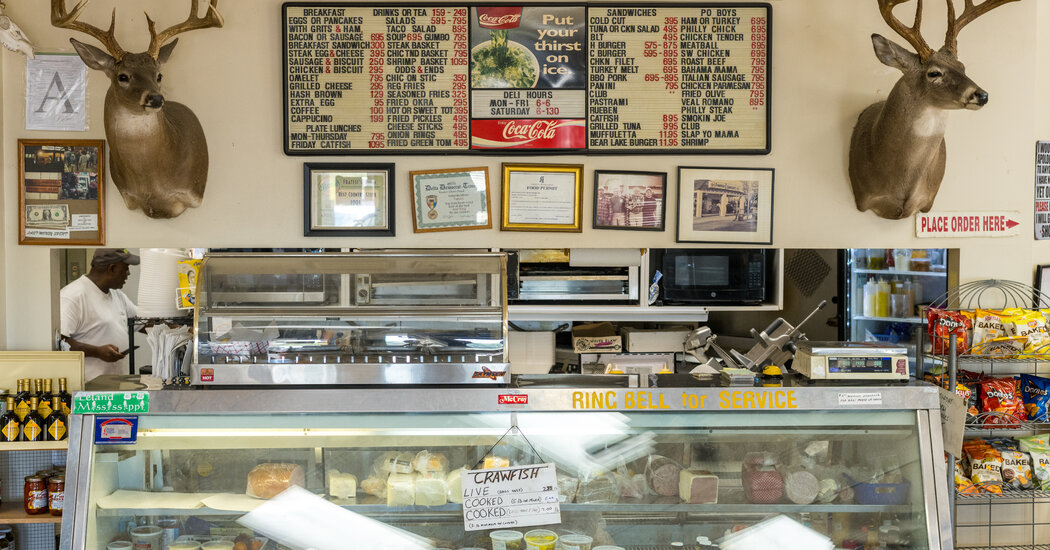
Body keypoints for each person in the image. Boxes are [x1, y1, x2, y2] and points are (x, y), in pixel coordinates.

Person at [60, 248, 140, 380]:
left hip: (116, 384)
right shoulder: (72, 297)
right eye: (125, 268)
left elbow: (142, 322)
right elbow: (60, 343)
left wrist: (177, 329)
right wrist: (97, 352)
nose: (128, 273)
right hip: (88, 388)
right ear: (112, 268)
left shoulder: (117, 295)